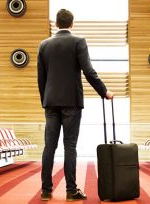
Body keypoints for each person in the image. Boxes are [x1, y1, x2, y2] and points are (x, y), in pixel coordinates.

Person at [37, 9, 114, 201]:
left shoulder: (44, 45)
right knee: (70, 146)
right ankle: (71, 191)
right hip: (71, 102)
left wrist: (45, 101)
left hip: (51, 103)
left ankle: (46, 190)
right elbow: (88, 71)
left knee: (49, 147)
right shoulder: (78, 41)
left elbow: (41, 78)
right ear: (72, 24)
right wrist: (104, 91)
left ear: (56, 24)